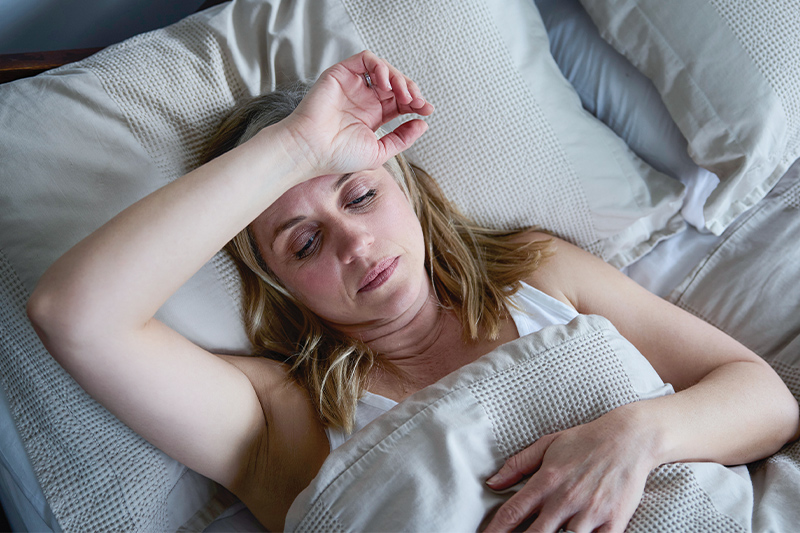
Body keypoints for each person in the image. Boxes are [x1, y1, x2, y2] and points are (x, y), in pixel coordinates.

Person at [27, 51, 799, 532]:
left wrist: (635, 435)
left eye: (359, 197)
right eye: (303, 241)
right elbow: (75, 314)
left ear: (409, 190)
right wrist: (296, 146)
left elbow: (765, 399)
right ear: (280, 285)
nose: (355, 243)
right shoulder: (278, 417)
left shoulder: (537, 271)